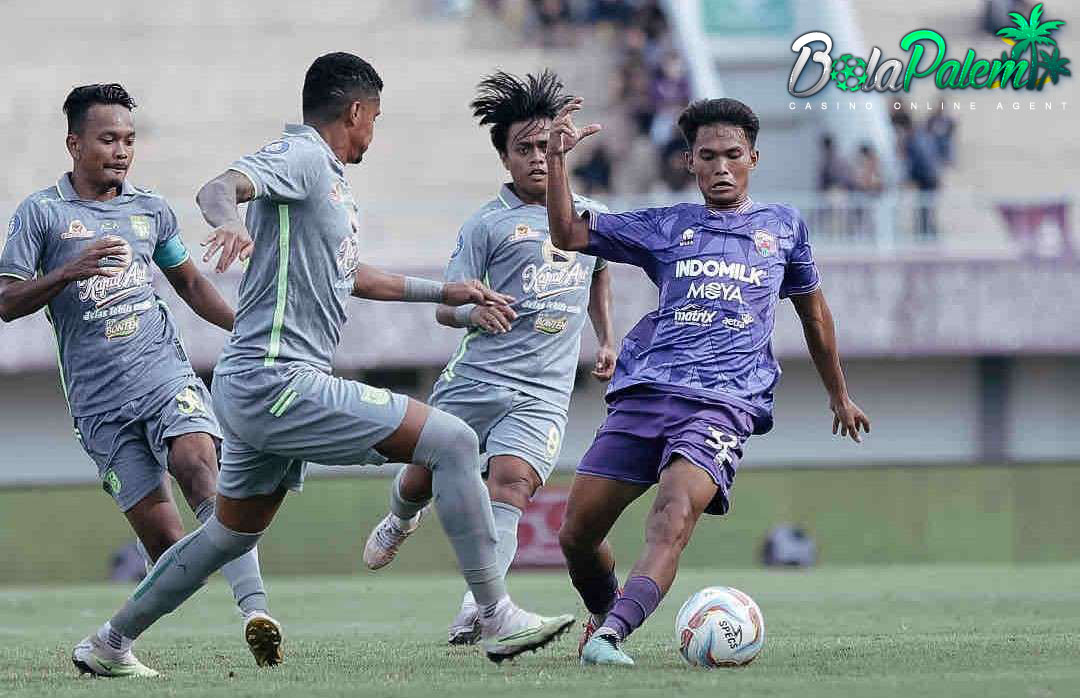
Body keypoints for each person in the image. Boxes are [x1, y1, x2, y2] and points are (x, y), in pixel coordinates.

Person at [72, 52, 574, 677]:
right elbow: (217, 188)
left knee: (230, 536)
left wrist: (443, 291)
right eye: (376, 119)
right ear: (357, 112)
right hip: (278, 380)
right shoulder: (306, 156)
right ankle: (495, 613)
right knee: (452, 440)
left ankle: (109, 642)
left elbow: (353, 276)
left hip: (255, 386)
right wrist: (230, 222)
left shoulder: (329, 181)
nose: (374, 132)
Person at [544, 97, 872, 666]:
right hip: (647, 391)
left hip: (724, 403)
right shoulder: (666, 224)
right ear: (689, 162)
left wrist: (838, 394)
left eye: (733, 155)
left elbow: (814, 315)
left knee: (673, 515)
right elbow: (570, 233)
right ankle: (604, 611)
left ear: (754, 158)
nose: (722, 166)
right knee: (576, 534)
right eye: (708, 156)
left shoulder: (784, 228)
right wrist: (555, 162)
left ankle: (610, 637)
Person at [0, 83, 275, 676]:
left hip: (162, 372)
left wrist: (253, 332)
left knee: (201, 465)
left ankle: (256, 611)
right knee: (169, 548)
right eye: (107, 139)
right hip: (99, 404)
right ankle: (112, 647)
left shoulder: (150, 210)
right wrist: (69, 271)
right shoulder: (41, 214)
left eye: (128, 140)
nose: (121, 151)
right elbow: (6, 301)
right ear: (74, 143)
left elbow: (193, 286)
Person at [361, 70, 616, 645]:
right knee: (420, 478)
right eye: (522, 149)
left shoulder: (587, 215)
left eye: (544, 146)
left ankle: (479, 607)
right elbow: (445, 309)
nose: (535, 158)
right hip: (477, 379)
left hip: (543, 391)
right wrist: (473, 312)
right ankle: (402, 517)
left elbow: (598, 273)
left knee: (511, 487)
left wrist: (606, 338)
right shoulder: (486, 224)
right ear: (503, 158)